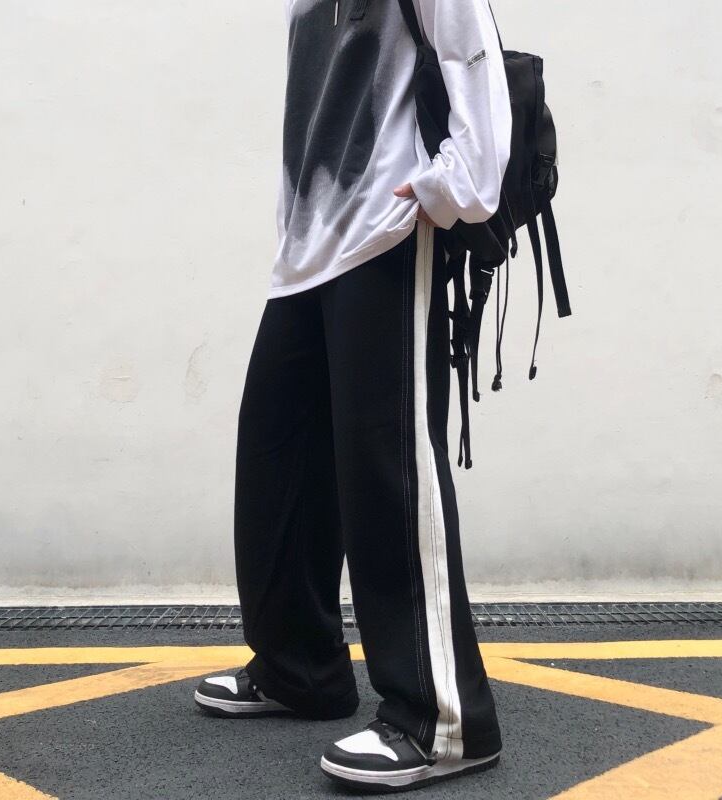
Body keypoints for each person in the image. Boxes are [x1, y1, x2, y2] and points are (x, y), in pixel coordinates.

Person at [193, 0, 512, 791]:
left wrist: (451, 187)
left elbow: (471, 52)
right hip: (308, 248)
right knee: (277, 454)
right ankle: (300, 667)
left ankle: (445, 718)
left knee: (387, 468)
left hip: (385, 232)